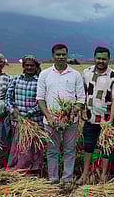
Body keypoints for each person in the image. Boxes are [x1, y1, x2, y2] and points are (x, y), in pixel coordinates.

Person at [36, 44, 86, 185]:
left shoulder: (75, 75)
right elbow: (40, 98)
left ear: (67, 55)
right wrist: (49, 116)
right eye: (58, 54)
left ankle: (67, 178)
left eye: (64, 54)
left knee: (70, 149)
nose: (61, 57)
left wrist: (72, 113)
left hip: (71, 120)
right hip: (51, 121)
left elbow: (81, 98)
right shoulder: (44, 74)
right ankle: (53, 179)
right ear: (53, 56)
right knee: (52, 150)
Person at [77, 46, 114, 184]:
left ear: (108, 59)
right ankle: (85, 174)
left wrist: (110, 120)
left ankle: (103, 175)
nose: (101, 61)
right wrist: (82, 110)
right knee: (88, 147)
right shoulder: (86, 72)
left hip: (106, 120)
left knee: (106, 148)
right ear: (94, 58)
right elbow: (82, 94)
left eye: (104, 58)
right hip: (90, 118)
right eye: (98, 58)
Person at [5, 55, 44, 174]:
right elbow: (8, 98)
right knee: (20, 147)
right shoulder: (16, 80)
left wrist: (30, 113)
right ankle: (19, 170)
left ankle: (34, 171)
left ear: (36, 67)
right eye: (27, 65)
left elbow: (43, 102)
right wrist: (13, 111)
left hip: (35, 122)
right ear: (23, 67)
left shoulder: (39, 81)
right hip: (18, 122)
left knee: (34, 148)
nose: (29, 67)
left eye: (32, 65)